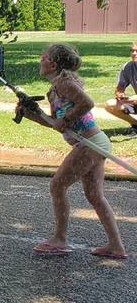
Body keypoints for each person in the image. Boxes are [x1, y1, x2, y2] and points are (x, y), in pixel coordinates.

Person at [16, 43, 127, 259]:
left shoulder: (64, 84)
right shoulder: (53, 90)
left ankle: (60, 239)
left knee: (57, 185)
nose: (41, 58)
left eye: (45, 56)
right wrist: (30, 114)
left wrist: (66, 119)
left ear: (54, 64)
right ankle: (116, 246)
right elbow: (55, 123)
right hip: (93, 142)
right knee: (94, 195)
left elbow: (87, 103)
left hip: (90, 143)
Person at [103, 40, 137, 133]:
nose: (134, 53)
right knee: (109, 104)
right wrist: (120, 96)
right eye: (132, 50)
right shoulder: (128, 67)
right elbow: (119, 88)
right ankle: (135, 124)